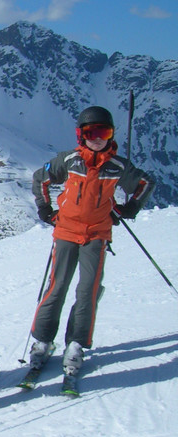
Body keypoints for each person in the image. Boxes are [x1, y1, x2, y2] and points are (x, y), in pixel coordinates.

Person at [29, 105, 155, 375]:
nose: (97, 138)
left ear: (112, 134)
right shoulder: (70, 160)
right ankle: (42, 340)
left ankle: (76, 343)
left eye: (104, 132)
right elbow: (41, 178)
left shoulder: (118, 166)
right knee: (57, 286)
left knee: (88, 289)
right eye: (90, 133)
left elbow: (145, 183)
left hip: (97, 234)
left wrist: (129, 208)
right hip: (66, 231)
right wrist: (45, 209)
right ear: (80, 135)